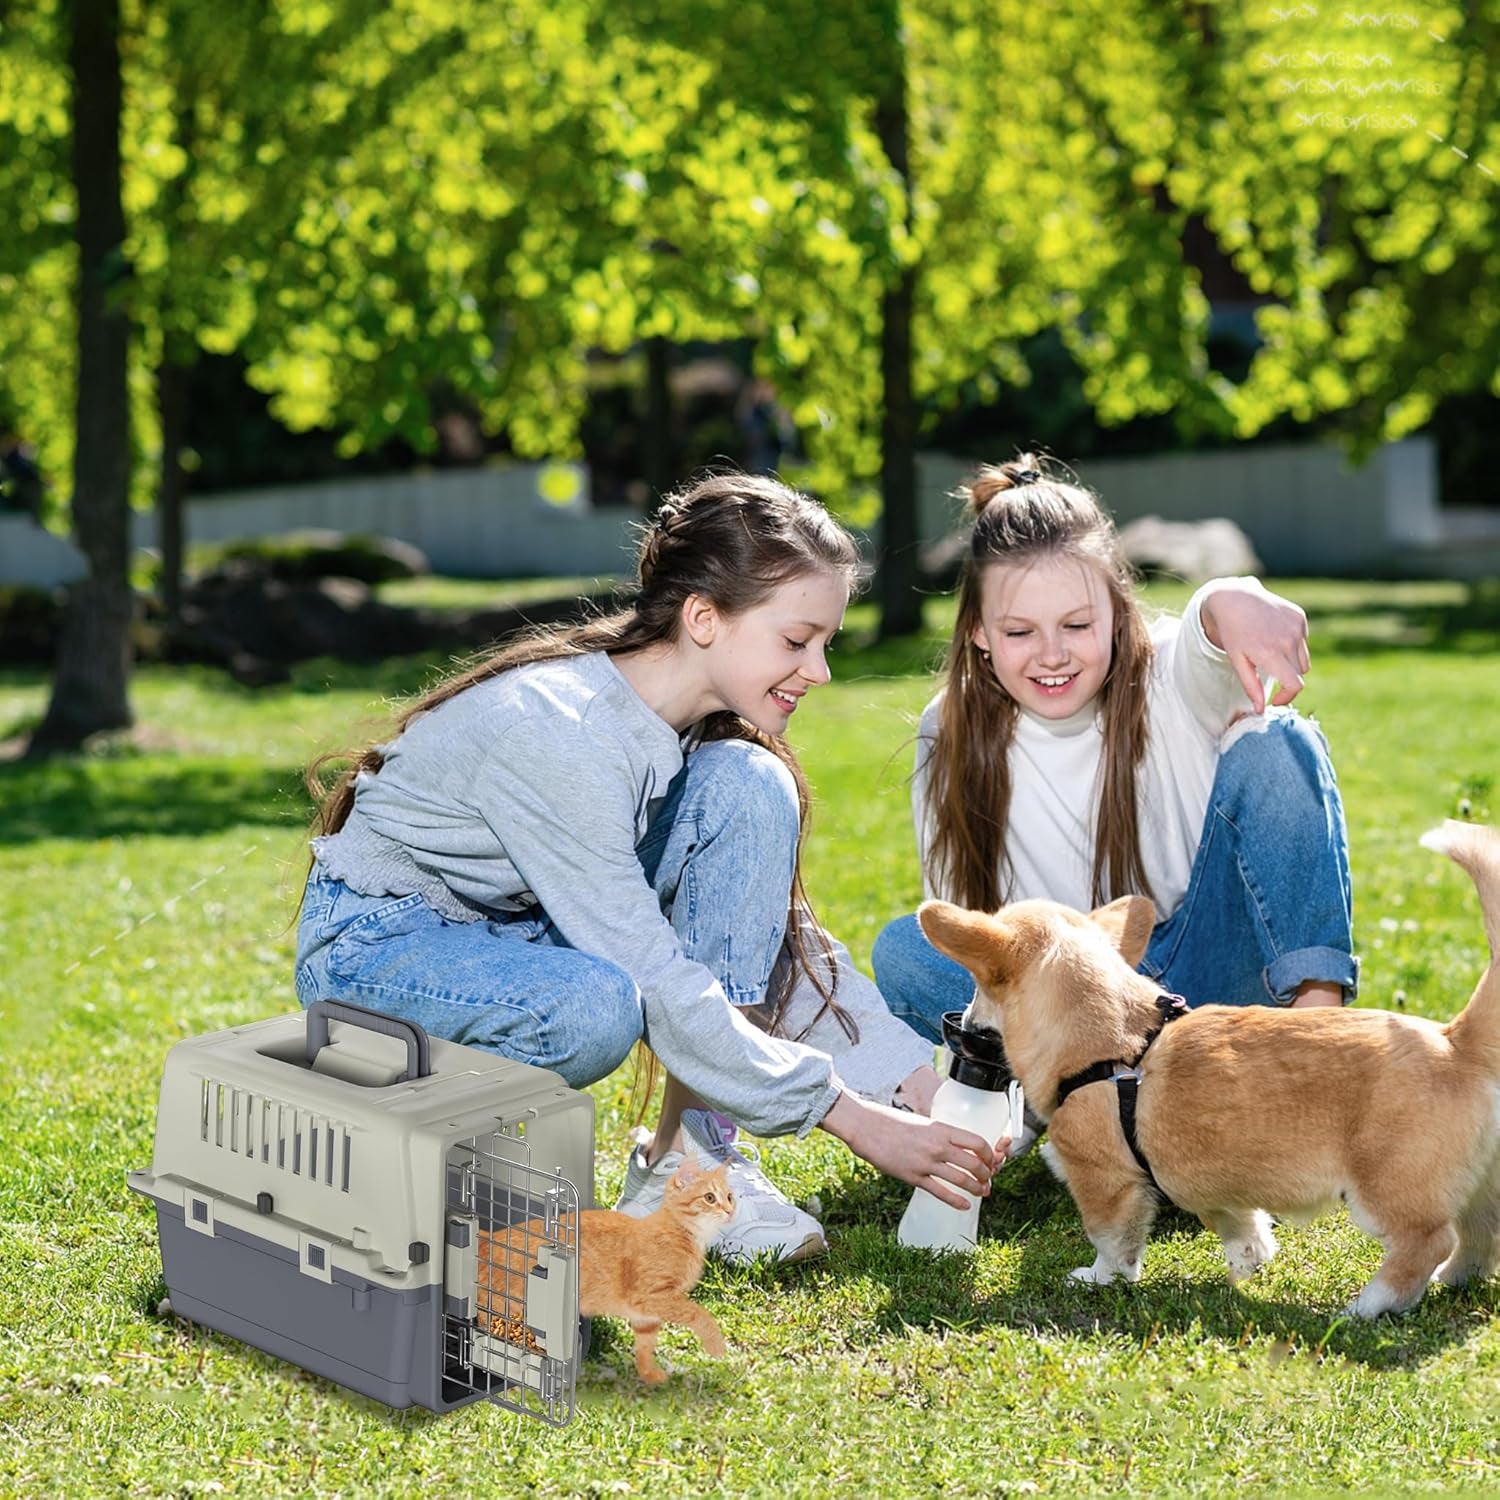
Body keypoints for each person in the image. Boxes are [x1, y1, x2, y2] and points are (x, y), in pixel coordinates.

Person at [295, 471, 995, 1264]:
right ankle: (394, 1163)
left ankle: (689, 1159)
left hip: (524, 926)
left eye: (824, 644)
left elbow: (776, 948)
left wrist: (915, 1087)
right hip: (381, 946)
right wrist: (852, 1118)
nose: (820, 670)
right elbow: (653, 977)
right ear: (703, 618)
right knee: (591, 1009)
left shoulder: (689, 736)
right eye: (797, 640)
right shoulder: (564, 737)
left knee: (751, 784)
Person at [872, 455, 1358, 1057]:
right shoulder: (949, 727)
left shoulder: (1170, 676)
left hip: (1213, 978)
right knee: (906, 950)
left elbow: (1208, 630)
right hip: (1072, 1006)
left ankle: (1317, 1046)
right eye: (1020, 632)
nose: (1052, 654)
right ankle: (1111, 1084)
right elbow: (972, 941)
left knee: (1280, 741)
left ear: (1116, 612)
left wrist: (1230, 597)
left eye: (1077, 625)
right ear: (978, 631)